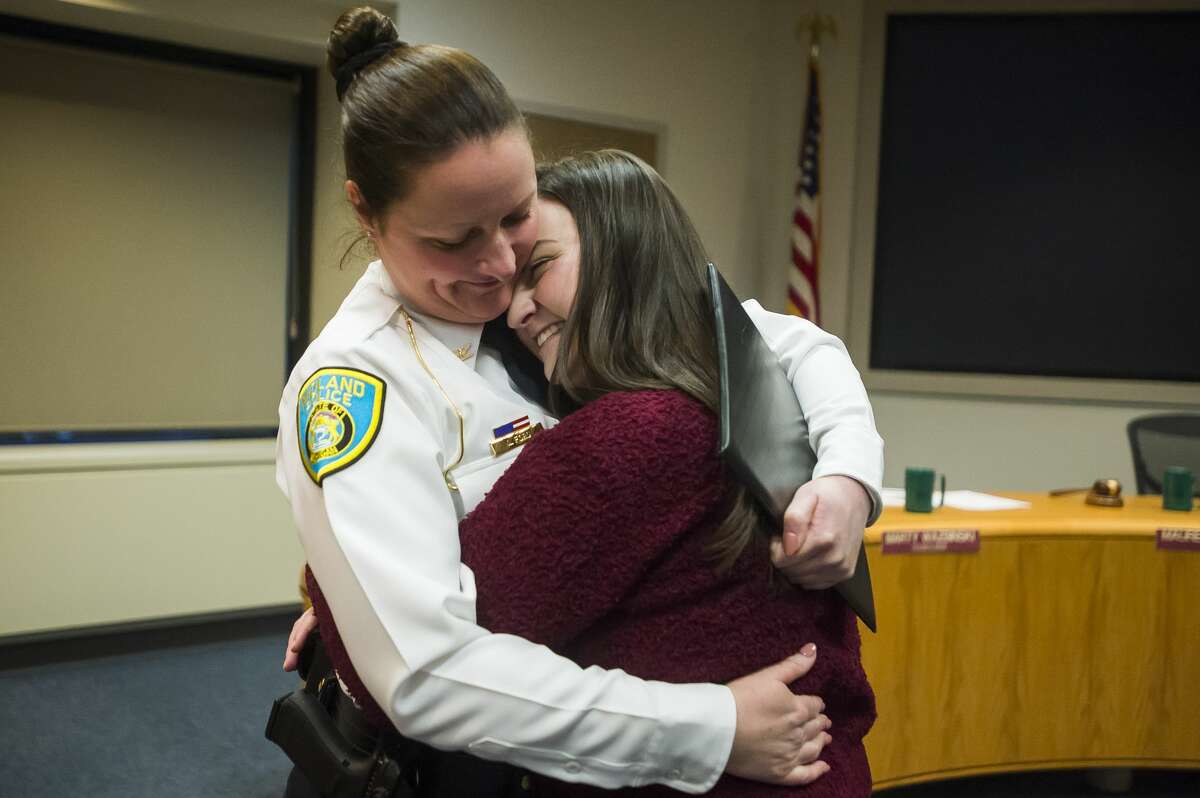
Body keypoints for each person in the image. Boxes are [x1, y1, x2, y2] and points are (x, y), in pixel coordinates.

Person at [275, 6, 883, 795]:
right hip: (431, 774)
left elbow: (782, 342)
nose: (497, 267)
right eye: (454, 240)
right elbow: (424, 674)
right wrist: (709, 727)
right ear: (366, 211)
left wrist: (846, 475)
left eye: (517, 218)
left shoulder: (525, 312)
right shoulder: (357, 385)